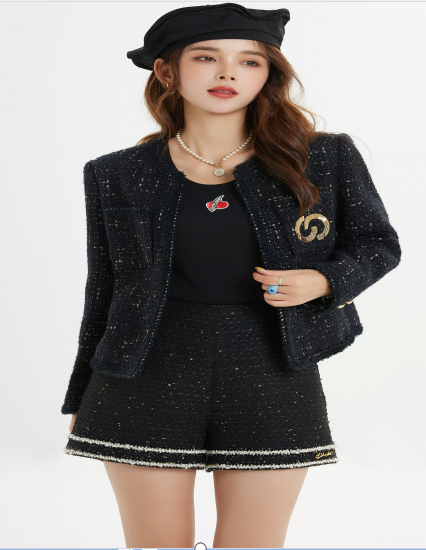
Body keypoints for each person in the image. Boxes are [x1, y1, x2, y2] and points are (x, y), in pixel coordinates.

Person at [61, 3, 401, 548]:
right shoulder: (116, 172)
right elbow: (104, 290)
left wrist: (324, 281)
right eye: (205, 58)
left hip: (273, 368)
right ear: (166, 70)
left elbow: (378, 245)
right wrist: (81, 394)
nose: (227, 73)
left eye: (249, 61)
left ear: (268, 74)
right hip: (144, 373)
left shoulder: (324, 157)